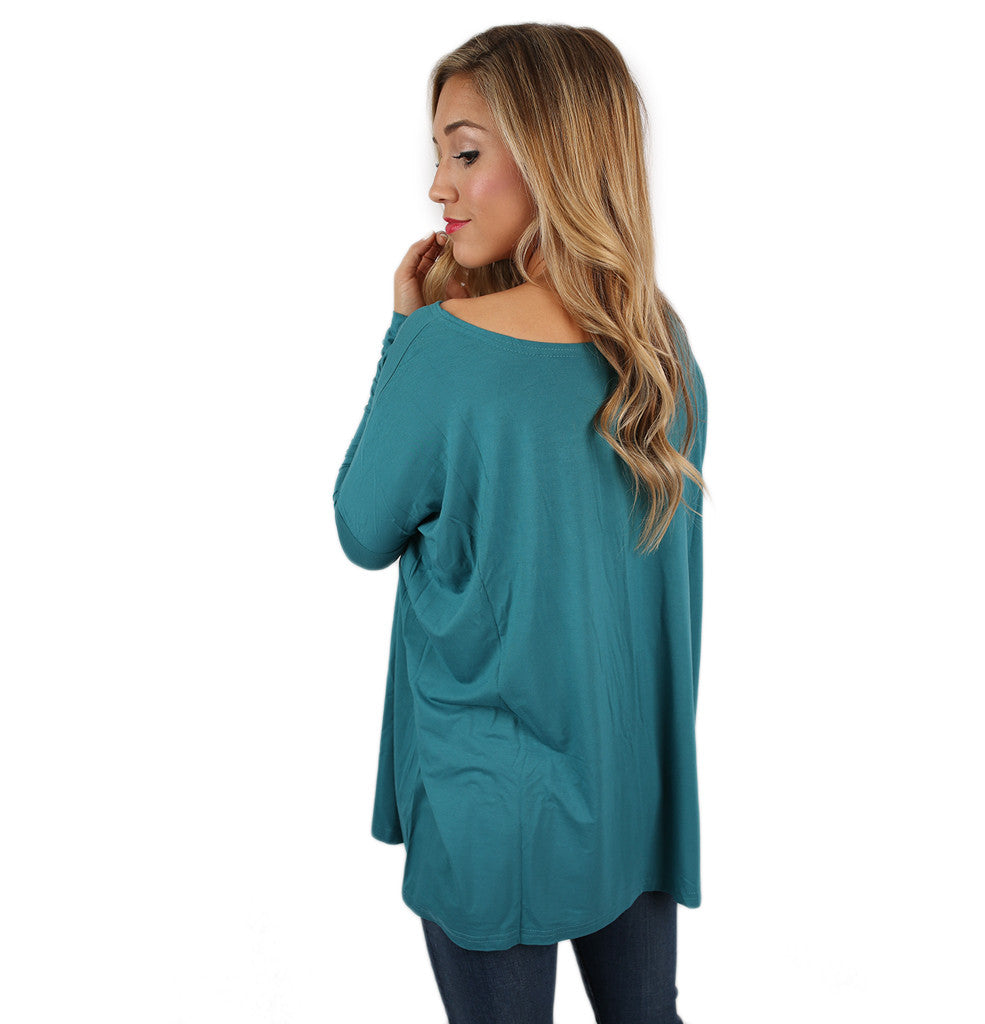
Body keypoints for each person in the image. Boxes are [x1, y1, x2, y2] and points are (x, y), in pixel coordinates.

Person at [333, 22, 709, 1024]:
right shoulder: (659, 346)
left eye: (465, 153)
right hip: (630, 790)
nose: (437, 187)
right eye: (437, 154)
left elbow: (362, 528)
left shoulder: (444, 351)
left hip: (486, 801)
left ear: (553, 156)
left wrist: (405, 331)